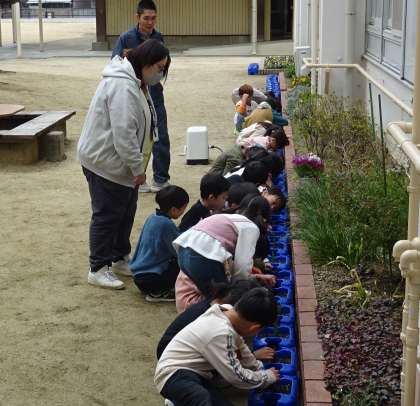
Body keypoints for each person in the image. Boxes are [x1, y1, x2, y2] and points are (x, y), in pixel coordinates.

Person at [78, 39, 170, 289]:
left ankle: (119, 258)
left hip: (122, 163)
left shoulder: (137, 81)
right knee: (108, 214)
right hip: (105, 161)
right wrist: (138, 169)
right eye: (160, 68)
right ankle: (98, 268)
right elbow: (124, 134)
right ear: (147, 63)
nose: (161, 74)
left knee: (126, 210)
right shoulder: (122, 85)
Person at [155, 288, 280, 406]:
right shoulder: (221, 333)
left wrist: (258, 367)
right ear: (255, 328)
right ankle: (179, 400)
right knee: (201, 398)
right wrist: (265, 377)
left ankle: (181, 401)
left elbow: (241, 349)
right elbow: (237, 377)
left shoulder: (227, 311)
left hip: (196, 372)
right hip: (173, 375)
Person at [173, 196, 276, 312]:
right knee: (223, 299)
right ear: (264, 221)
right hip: (202, 255)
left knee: (213, 298)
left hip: (183, 250)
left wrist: (254, 277)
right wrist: (249, 288)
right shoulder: (251, 228)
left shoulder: (231, 217)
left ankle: (196, 317)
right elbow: (242, 268)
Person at [112, 0, 171, 193]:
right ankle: (138, 178)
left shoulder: (158, 37)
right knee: (137, 137)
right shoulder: (126, 38)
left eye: (153, 18)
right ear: (137, 17)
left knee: (161, 136)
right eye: (146, 18)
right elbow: (115, 63)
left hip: (155, 94)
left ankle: (161, 179)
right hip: (134, 94)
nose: (150, 22)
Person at [156, 280, 275, 362]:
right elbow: (224, 358)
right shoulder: (213, 321)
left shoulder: (217, 306)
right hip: (172, 356)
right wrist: (253, 356)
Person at [130, 185, 189, 302]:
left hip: (138, 275)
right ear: (174, 209)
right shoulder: (166, 224)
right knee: (185, 263)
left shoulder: (152, 217)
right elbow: (178, 249)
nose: (183, 212)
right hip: (152, 278)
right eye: (183, 208)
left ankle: (156, 290)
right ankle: (158, 292)